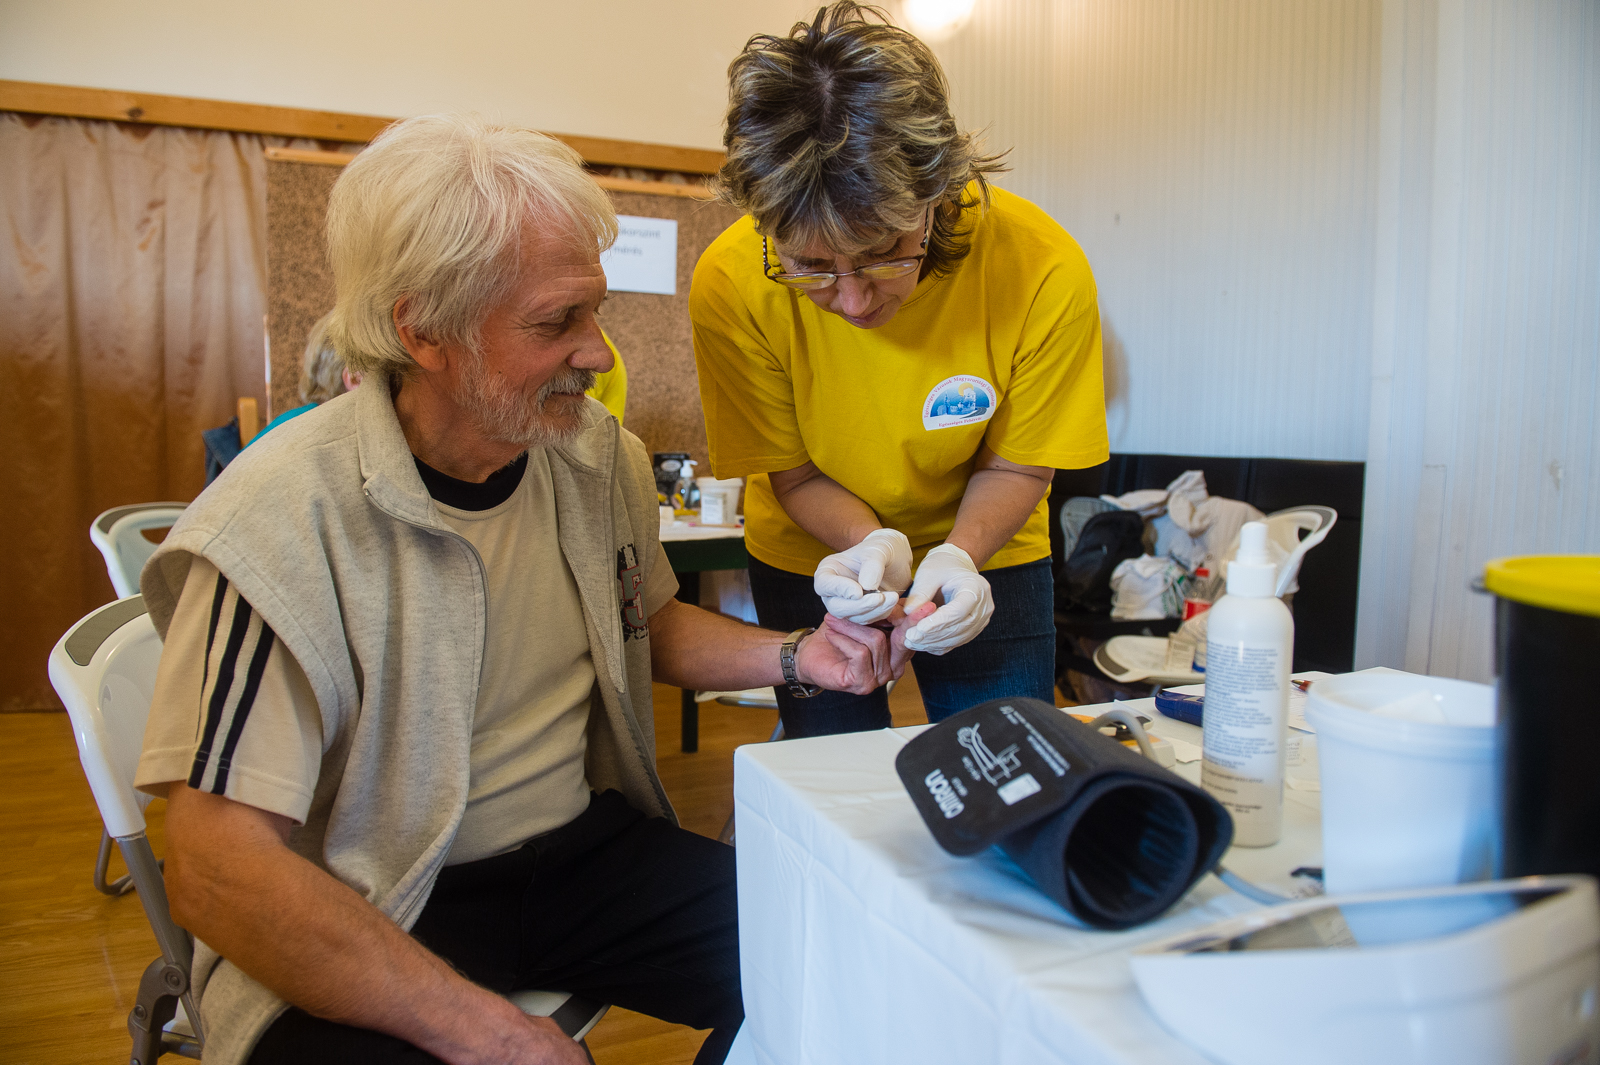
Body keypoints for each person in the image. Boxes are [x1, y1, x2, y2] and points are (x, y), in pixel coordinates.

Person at [134, 113, 910, 1065]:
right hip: (372, 894)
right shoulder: (280, 518)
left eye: (595, 310)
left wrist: (798, 657)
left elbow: (641, 621)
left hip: (578, 853)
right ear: (424, 331)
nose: (599, 352)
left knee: (853, 960)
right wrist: (486, 1030)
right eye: (556, 323)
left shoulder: (594, 460)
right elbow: (218, 872)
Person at [690, 2, 1110, 739]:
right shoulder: (729, 280)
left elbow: (1018, 463)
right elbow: (791, 473)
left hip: (992, 547)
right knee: (830, 766)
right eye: (811, 268)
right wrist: (867, 541)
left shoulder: (1042, 267)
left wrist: (959, 553)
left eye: (885, 253)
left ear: (938, 196)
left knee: (1007, 759)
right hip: (813, 552)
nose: (851, 299)